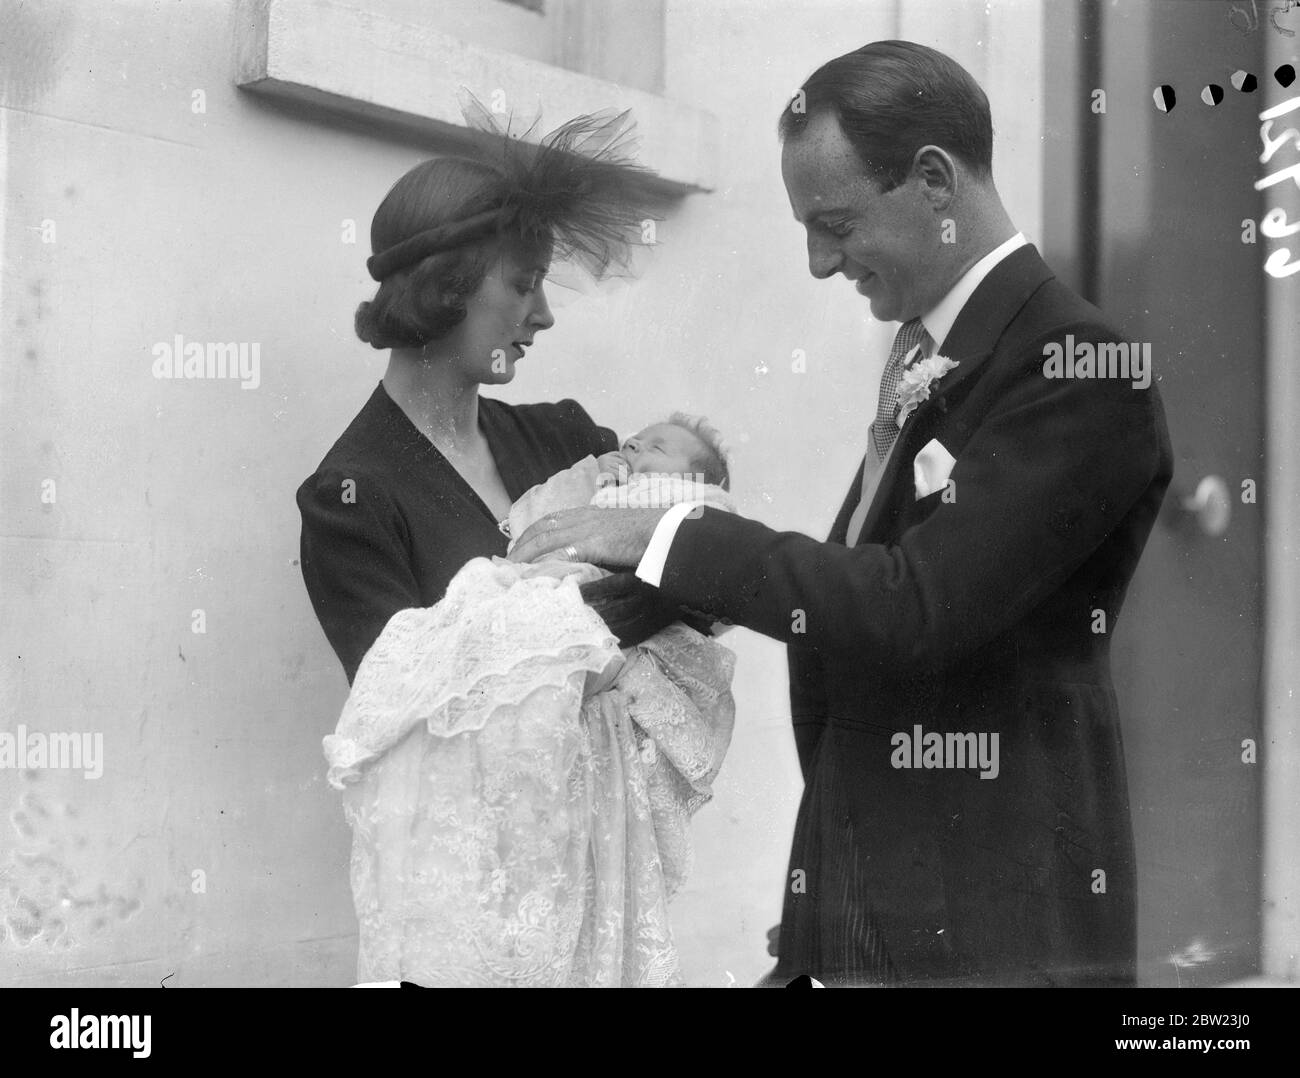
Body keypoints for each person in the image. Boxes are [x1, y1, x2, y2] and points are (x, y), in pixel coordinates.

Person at [508, 40, 1174, 987]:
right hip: (872, 891)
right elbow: (847, 612)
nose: (821, 264)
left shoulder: (1078, 366)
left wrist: (668, 533)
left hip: (999, 909)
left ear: (935, 180)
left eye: (836, 223)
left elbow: (914, 607)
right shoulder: (927, 351)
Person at [296, 106, 709, 985]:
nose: (545, 315)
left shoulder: (566, 443)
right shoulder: (352, 499)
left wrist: (665, 596)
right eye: (524, 285)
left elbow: (707, 574)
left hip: (598, 870)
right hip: (472, 912)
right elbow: (398, 717)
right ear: (444, 286)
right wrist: (599, 617)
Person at [322, 412, 736, 986]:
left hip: (600, 788)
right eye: (641, 439)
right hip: (492, 815)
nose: (637, 443)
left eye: (658, 446)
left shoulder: (583, 443)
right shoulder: (346, 493)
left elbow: (709, 574)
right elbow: (529, 526)